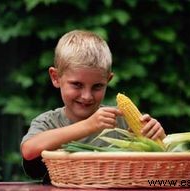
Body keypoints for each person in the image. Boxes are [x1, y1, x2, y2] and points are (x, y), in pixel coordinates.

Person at [20, 29, 166, 183]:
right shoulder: (48, 122)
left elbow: (160, 168)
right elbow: (29, 150)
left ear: (108, 80)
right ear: (56, 77)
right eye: (77, 84)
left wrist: (159, 138)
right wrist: (88, 125)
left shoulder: (122, 122)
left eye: (97, 86)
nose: (87, 96)